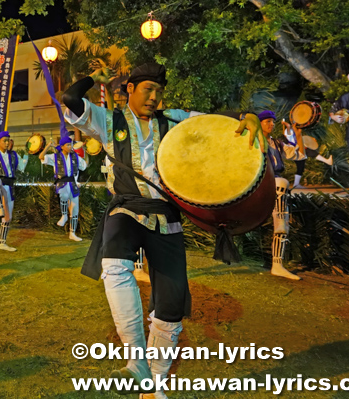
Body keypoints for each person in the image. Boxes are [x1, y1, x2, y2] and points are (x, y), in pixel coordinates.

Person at [62, 63, 264, 397]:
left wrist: (249, 114)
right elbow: (70, 97)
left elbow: (217, 122)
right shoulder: (107, 120)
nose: (154, 98)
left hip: (166, 216)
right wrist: (94, 80)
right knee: (113, 264)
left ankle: (153, 384)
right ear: (130, 89)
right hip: (126, 208)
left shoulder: (173, 120)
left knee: (170, 307)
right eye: (147, 90)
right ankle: (136, 361)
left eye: (158, 91)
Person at [259, 111, 306, 281]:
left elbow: (299, 155)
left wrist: (298, 133)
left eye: (272, 122)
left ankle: (277, 265)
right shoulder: (253, 141)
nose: (271, 124)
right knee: (281, 183)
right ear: (259, 124)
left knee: (282, 224)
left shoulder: (278, 143)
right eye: (267, 122)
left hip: (277, 184)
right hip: (261, 183)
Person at [39, 135, 87, 241]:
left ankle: (72, 233)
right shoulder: (55, 156)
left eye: (71, 145)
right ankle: (64, 215)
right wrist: (48, 146)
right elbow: (41, 157)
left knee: (75, 209)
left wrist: (84, 151)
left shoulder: (75, 157)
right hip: (62, 183)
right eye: (68, 145)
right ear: (62, 146)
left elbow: (84, 165)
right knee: (64, 194)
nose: (70, 147)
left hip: (73, 184)